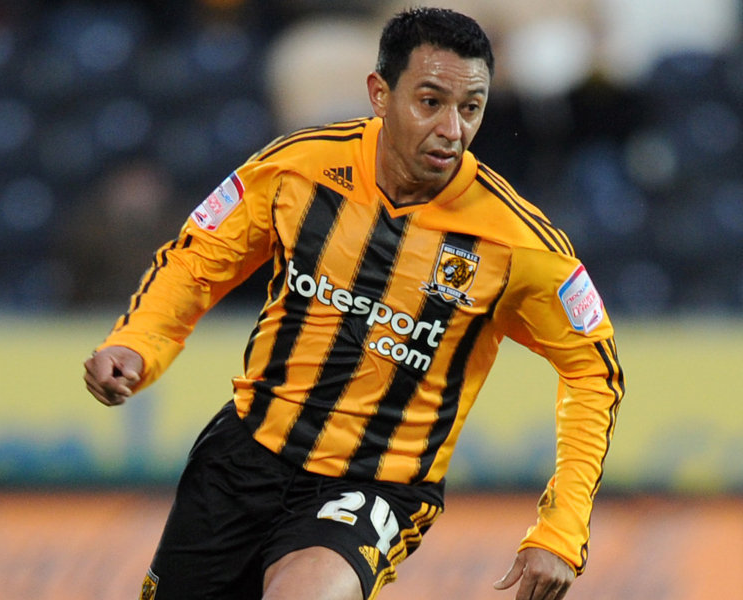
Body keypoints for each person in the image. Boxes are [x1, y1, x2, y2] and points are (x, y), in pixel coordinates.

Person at [83, 7, 624, 600]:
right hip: (243, 457)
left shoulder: (518, 242)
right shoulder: (299, 167)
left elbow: (593, 371)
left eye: (470, 108)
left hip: (375, 485)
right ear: (379, 93)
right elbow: (198, 259)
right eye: (430, 102)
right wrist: (138, 342)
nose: (452, 129)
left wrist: (562, 526)